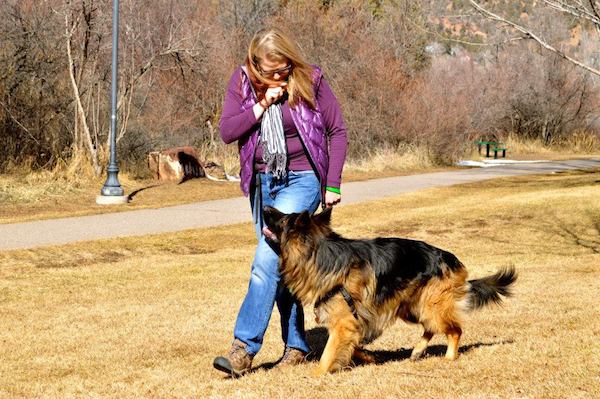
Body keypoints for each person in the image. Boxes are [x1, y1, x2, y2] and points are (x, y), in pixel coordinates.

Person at [212, 27, 348, 377]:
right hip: (263, 182)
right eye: (271, 71)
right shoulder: (243, 82)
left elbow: (337, 130)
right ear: (256, 65)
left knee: (264, 259)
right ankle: (298, 345)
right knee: (281, 265)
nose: (279, 76)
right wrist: (261, 104)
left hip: (302, 179)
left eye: (283, 68)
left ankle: (243, 348)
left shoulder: (310, 79)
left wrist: (331, 183)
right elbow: (228, 131)